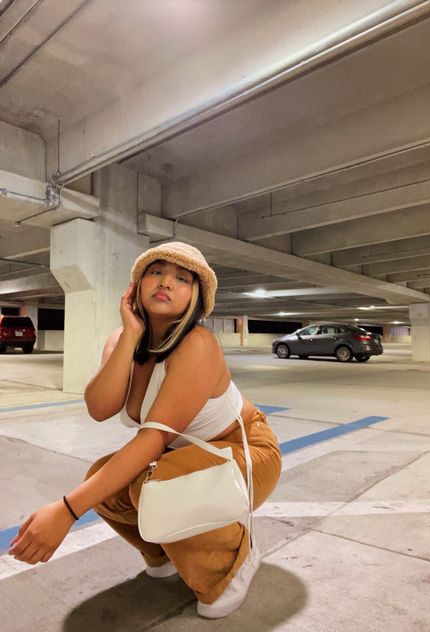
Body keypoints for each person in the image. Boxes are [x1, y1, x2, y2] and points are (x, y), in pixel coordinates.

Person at [8, 241, 282, 619]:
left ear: (196, 298)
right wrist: (131, 334)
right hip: (182, 458)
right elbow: (100, 408)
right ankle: (165, 552)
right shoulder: (121, 339)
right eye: (156, 272)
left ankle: (233, 562)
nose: (165, 281)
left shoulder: (197, 344)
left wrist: (68, 510)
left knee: (153, 484)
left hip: (246, 452)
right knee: (105, 483)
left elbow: (153, 439)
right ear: (136, 286)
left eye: (181, 278)